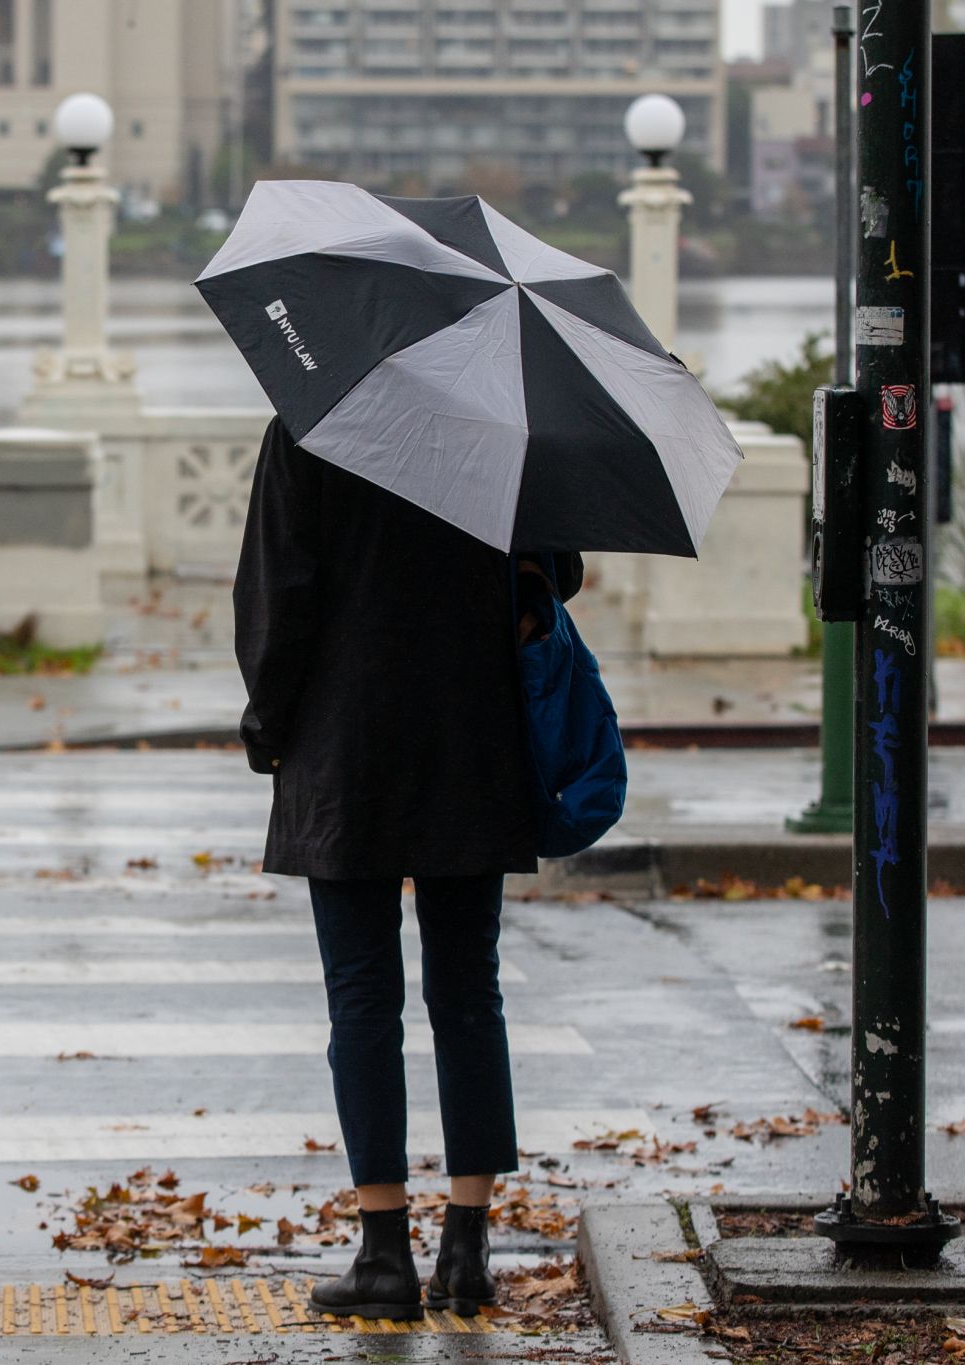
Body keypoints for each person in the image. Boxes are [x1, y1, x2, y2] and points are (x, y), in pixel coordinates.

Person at [233, 416, 583, 1322]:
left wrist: (267, 724)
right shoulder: (498, 426)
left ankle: (383, 1252)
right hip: (472, 736)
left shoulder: (311, 427)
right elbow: (558, 571)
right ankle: (467, 1248)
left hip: (346, 743)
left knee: (361, 997)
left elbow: (279, 593)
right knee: (470, 991)